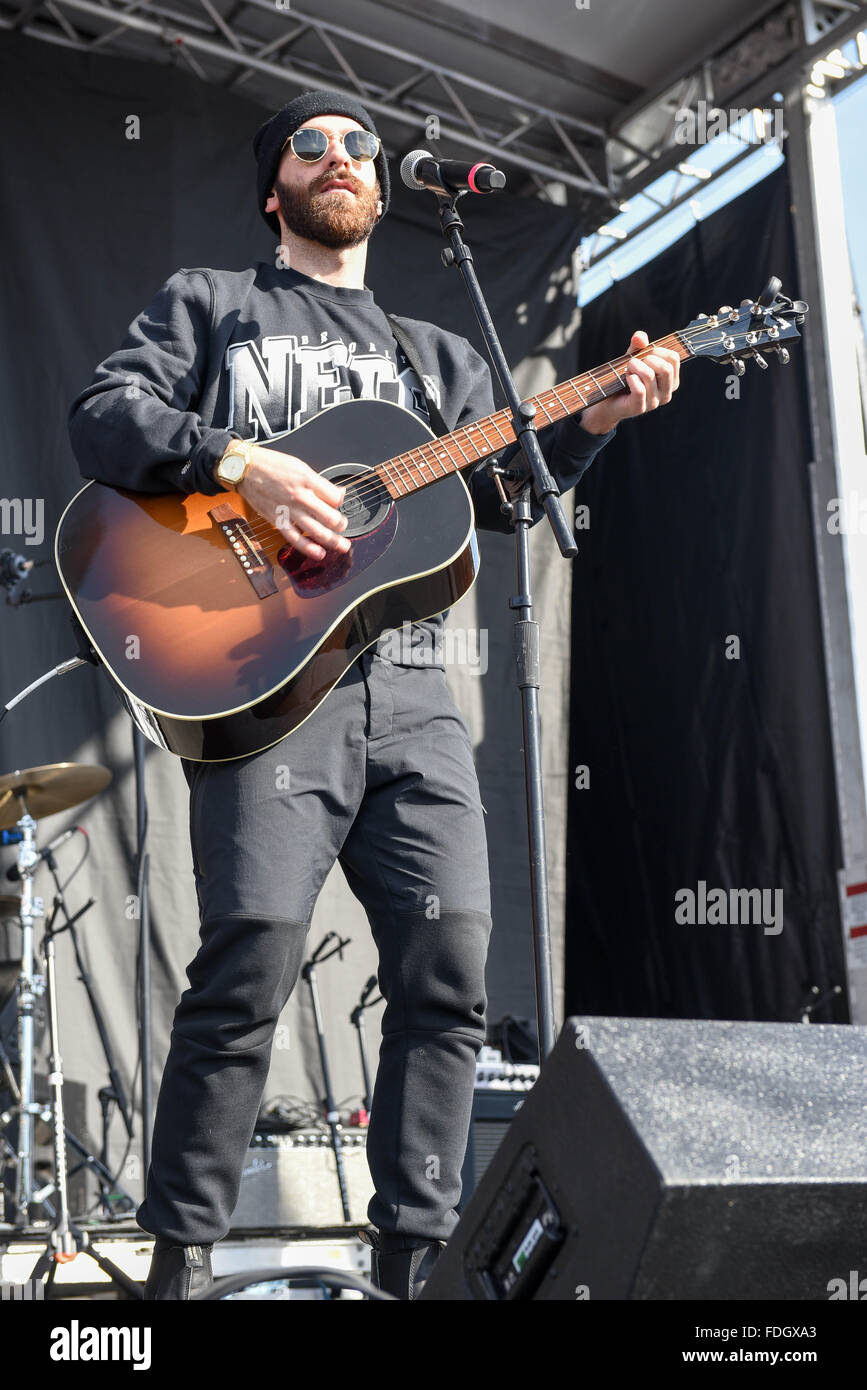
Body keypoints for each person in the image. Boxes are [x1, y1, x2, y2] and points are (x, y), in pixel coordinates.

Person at [67, 90, 680, 1301]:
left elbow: (502, 495)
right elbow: (106, 416)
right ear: (273, 187)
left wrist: (598, 414)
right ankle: (181, 1259)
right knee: (252, 955)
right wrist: (240, 463)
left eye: (361, 147)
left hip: (410, 690)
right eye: (313, 144)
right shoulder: (213, 304)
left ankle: (417, 1259)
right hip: (263, 678)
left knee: (452, 964)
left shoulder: (437, 358)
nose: (341, 157)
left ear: (384, 193)